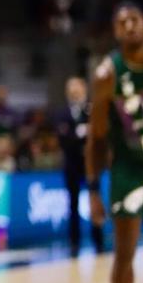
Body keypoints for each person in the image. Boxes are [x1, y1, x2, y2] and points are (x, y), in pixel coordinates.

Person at [87, 1, 143, 283]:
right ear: (114, 30)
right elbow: (96, 138)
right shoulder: (107, 74)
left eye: (134, 19)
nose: (130, 25)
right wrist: (94, 189)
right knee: (125, 254)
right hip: (128, 169)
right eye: (123, 22)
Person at [56, 75, 104, 255]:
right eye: (71, 89)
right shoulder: (62, 113)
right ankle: (74, 243)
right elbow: (64, 139)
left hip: (91, 165)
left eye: (77, 88)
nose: (74, 92)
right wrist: (81, 133)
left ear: (84, 89)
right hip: (72, 165)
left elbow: (99, 134)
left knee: (95, 199)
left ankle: (98, 241)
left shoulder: (92, 110)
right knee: (72, 205)